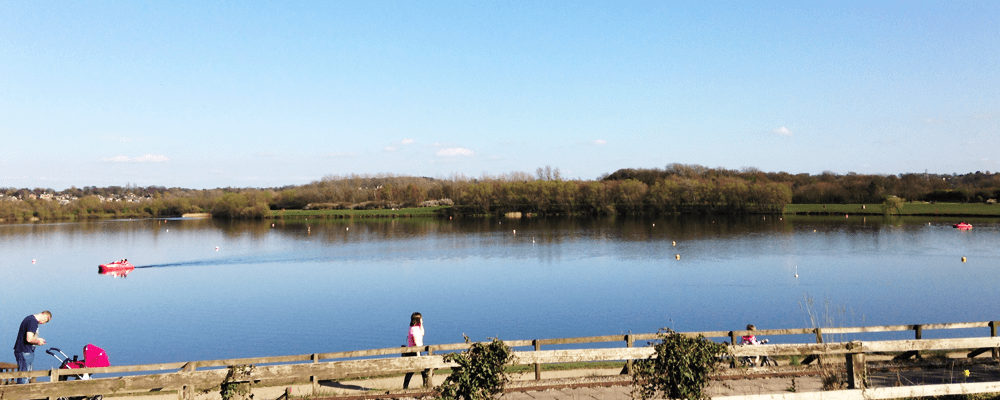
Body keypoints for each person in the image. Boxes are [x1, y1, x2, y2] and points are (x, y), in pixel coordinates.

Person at [13, 311, 52, 384]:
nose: (43, 323)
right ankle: (21, 393)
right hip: (25, 351)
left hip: (24, 351)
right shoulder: (32, 321)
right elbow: (29, 339)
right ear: (45, 316)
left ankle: (22, 392)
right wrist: (38, 341)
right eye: (46, 320)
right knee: (24, 376)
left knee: (26, 375)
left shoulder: (30, 319)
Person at [402, 312, 427, 389]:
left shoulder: (416, 328)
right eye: (421, 319)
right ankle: (405, 387)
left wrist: (421, 324)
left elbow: (422, 333)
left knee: (422, 370)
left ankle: (425, 385)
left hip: (417, 351)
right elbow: (416, 342)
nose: (422, 320)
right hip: (414, 352)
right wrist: (418, 354)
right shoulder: (413, 329)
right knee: (411, 370)